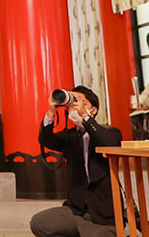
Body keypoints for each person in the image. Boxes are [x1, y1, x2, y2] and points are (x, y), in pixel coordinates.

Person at [30, 86, 123, 237]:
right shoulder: (70, 137)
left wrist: (85, 118)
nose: (76, 107)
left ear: (94, 110)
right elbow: (45, 139)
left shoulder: (111, 133)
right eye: (73, 103)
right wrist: (51, 112)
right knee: (39, 223)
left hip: (103, 215)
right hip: (76, 211)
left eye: (82, 103)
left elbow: (107, 143)